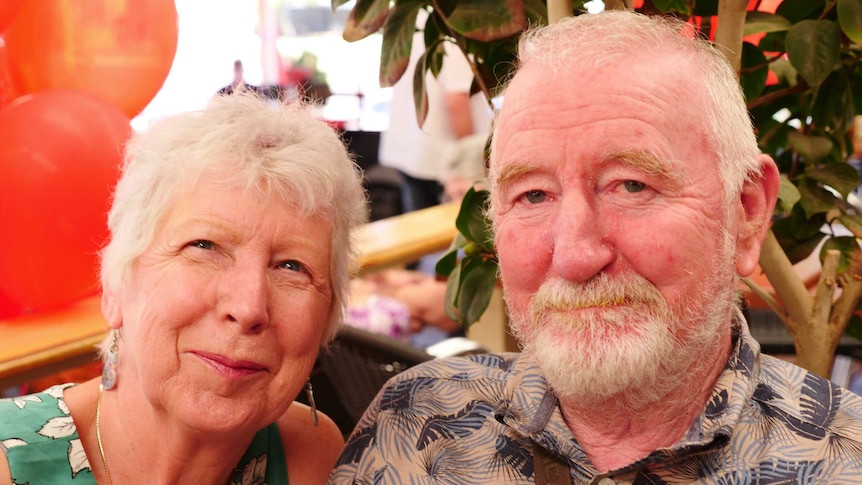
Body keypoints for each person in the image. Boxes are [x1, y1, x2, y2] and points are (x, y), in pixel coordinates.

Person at [328, 10, 862, 484]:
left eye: (632, 185)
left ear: (744, 213)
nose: (576, 256)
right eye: (533, 194)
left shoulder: (842, 460)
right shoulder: (416, 428)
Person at [0, 92, 368, 484]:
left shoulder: (308, 455)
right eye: (205, 246)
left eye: (292, 267)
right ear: (114, 285)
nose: (248, 307)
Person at [379, 10, 492, 214]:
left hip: (412, 149)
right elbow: (457, 101)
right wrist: (472, 165)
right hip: (445, 162)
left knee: (422, 234)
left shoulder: (415, 12)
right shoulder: (454, 17)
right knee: (446, 237)